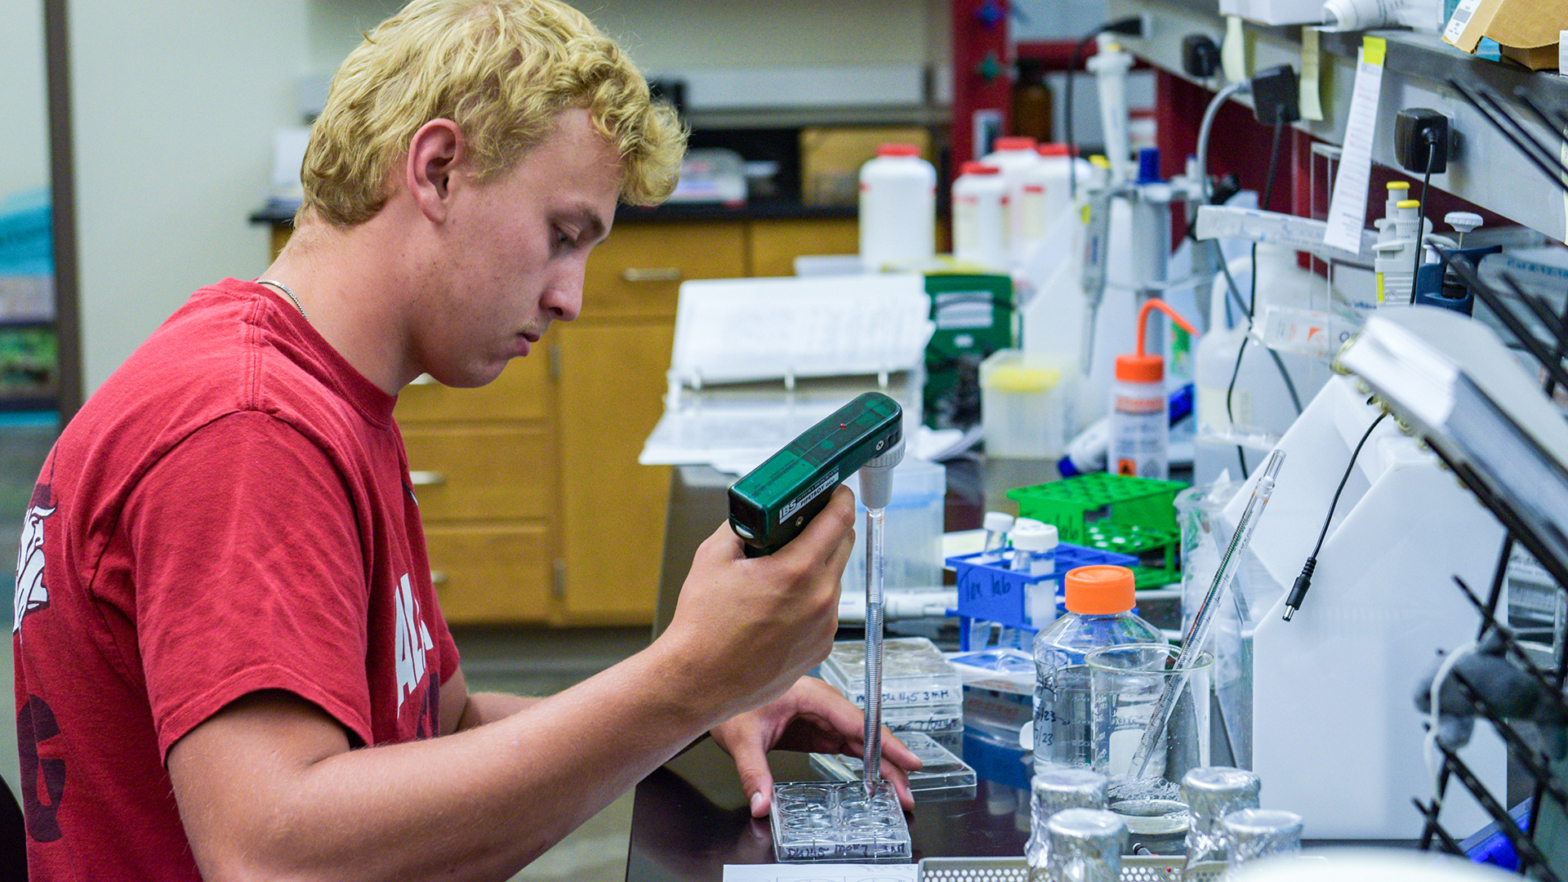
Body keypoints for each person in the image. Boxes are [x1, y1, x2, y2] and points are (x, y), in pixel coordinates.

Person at [11, 1, 918, 878]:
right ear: (437, 169)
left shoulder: (328, 395)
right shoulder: (247, 431)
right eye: (562, 236)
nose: (571, 296)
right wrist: (680, 681)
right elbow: (275, 856)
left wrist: (701, 705)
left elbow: (438, 735)